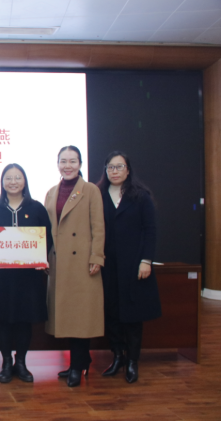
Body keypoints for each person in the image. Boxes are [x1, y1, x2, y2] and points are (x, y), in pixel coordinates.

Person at [0, 164, 52, 384]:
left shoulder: (37, 207)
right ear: (2, 182)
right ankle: (6, 363)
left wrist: (41, 258)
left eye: (17, 177)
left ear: (24, 181)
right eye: (8, 178)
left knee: (24, 320)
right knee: (3, 320)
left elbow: (47, 238)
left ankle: (21, 362)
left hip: (28, 275)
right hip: (2, 275)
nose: (13, 182)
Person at [96, 151, 160, 384]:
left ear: (128, 170)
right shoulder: (98, 195)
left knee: (132, 316)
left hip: (134, 265)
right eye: (110, 167)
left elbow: (150, 230)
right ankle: (118, 357)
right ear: (105, 170)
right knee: (111, 313)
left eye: (119, 166)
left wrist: (146, 260)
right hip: (107, 265)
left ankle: (132, 361)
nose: (114, 171)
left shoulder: (140, 196)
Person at [44, 145, 105, 387]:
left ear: (80, 164)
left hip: (82, 263)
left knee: (81, 316)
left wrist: (97, 257)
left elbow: (98, 226)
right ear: (57, 164)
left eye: (72, 161)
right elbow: (46, 229)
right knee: (68, 316)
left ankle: (78, 365)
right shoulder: (51, 192)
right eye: (63, 161)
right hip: (59, 262)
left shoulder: (90, 190)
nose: (67, 166)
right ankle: (78, 362)